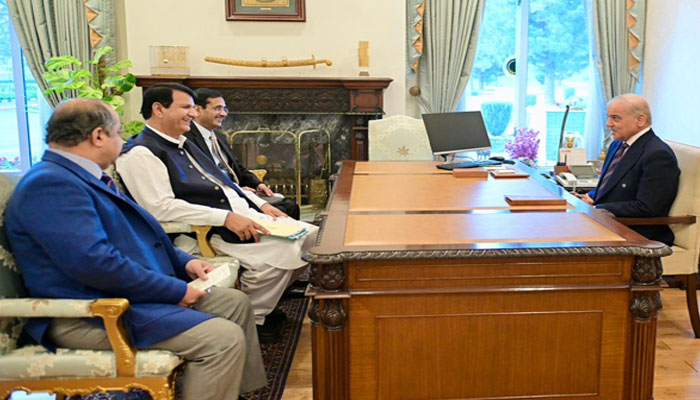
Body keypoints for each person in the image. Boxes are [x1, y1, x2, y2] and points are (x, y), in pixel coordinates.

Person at [4, 98, 266, 399]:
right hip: (93, 314)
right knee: (222, 338)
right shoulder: (51, 184)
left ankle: (232, 392)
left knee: (233, 302)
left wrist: (184, 262)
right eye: (118, 133)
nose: (123, 141)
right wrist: (175, 291)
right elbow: (96, 264)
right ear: (98, 136)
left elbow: (134, 235)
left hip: (127, 299)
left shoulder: (82, 176)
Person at [116, 83, 318, 343]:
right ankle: (253, 317)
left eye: (193, 107)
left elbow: (226, 183)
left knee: (314, 238)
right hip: (206, 231)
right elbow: (160, 207)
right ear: (158, 109)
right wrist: (225, 217)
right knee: (278, 255)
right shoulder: (141, 154)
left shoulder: (184, 143)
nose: (193, 113)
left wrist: (262, 205)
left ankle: (264, 306)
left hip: (242, 214)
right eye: (186, 107)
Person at [573, 93, 680, 246]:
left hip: (636, 234)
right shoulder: (617, 145)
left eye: (615, 118)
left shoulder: (658, 155)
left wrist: (597, 207)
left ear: (640, 120)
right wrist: (590, 197)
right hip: (607, 223)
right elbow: (610, 187)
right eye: (608, 118)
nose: (608, 124)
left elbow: (647, 208)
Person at [186, 88, 301, 219]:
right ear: (198, 110)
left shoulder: (219, 137)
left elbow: (236, 167)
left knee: (290, 205)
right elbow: (198, 176)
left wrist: (257, 184)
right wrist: (235, 189)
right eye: (218, 109)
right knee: (284, 209)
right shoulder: (186, 138)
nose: (223, 114)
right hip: (217, 197)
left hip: (237, 191)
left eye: (224, 109)